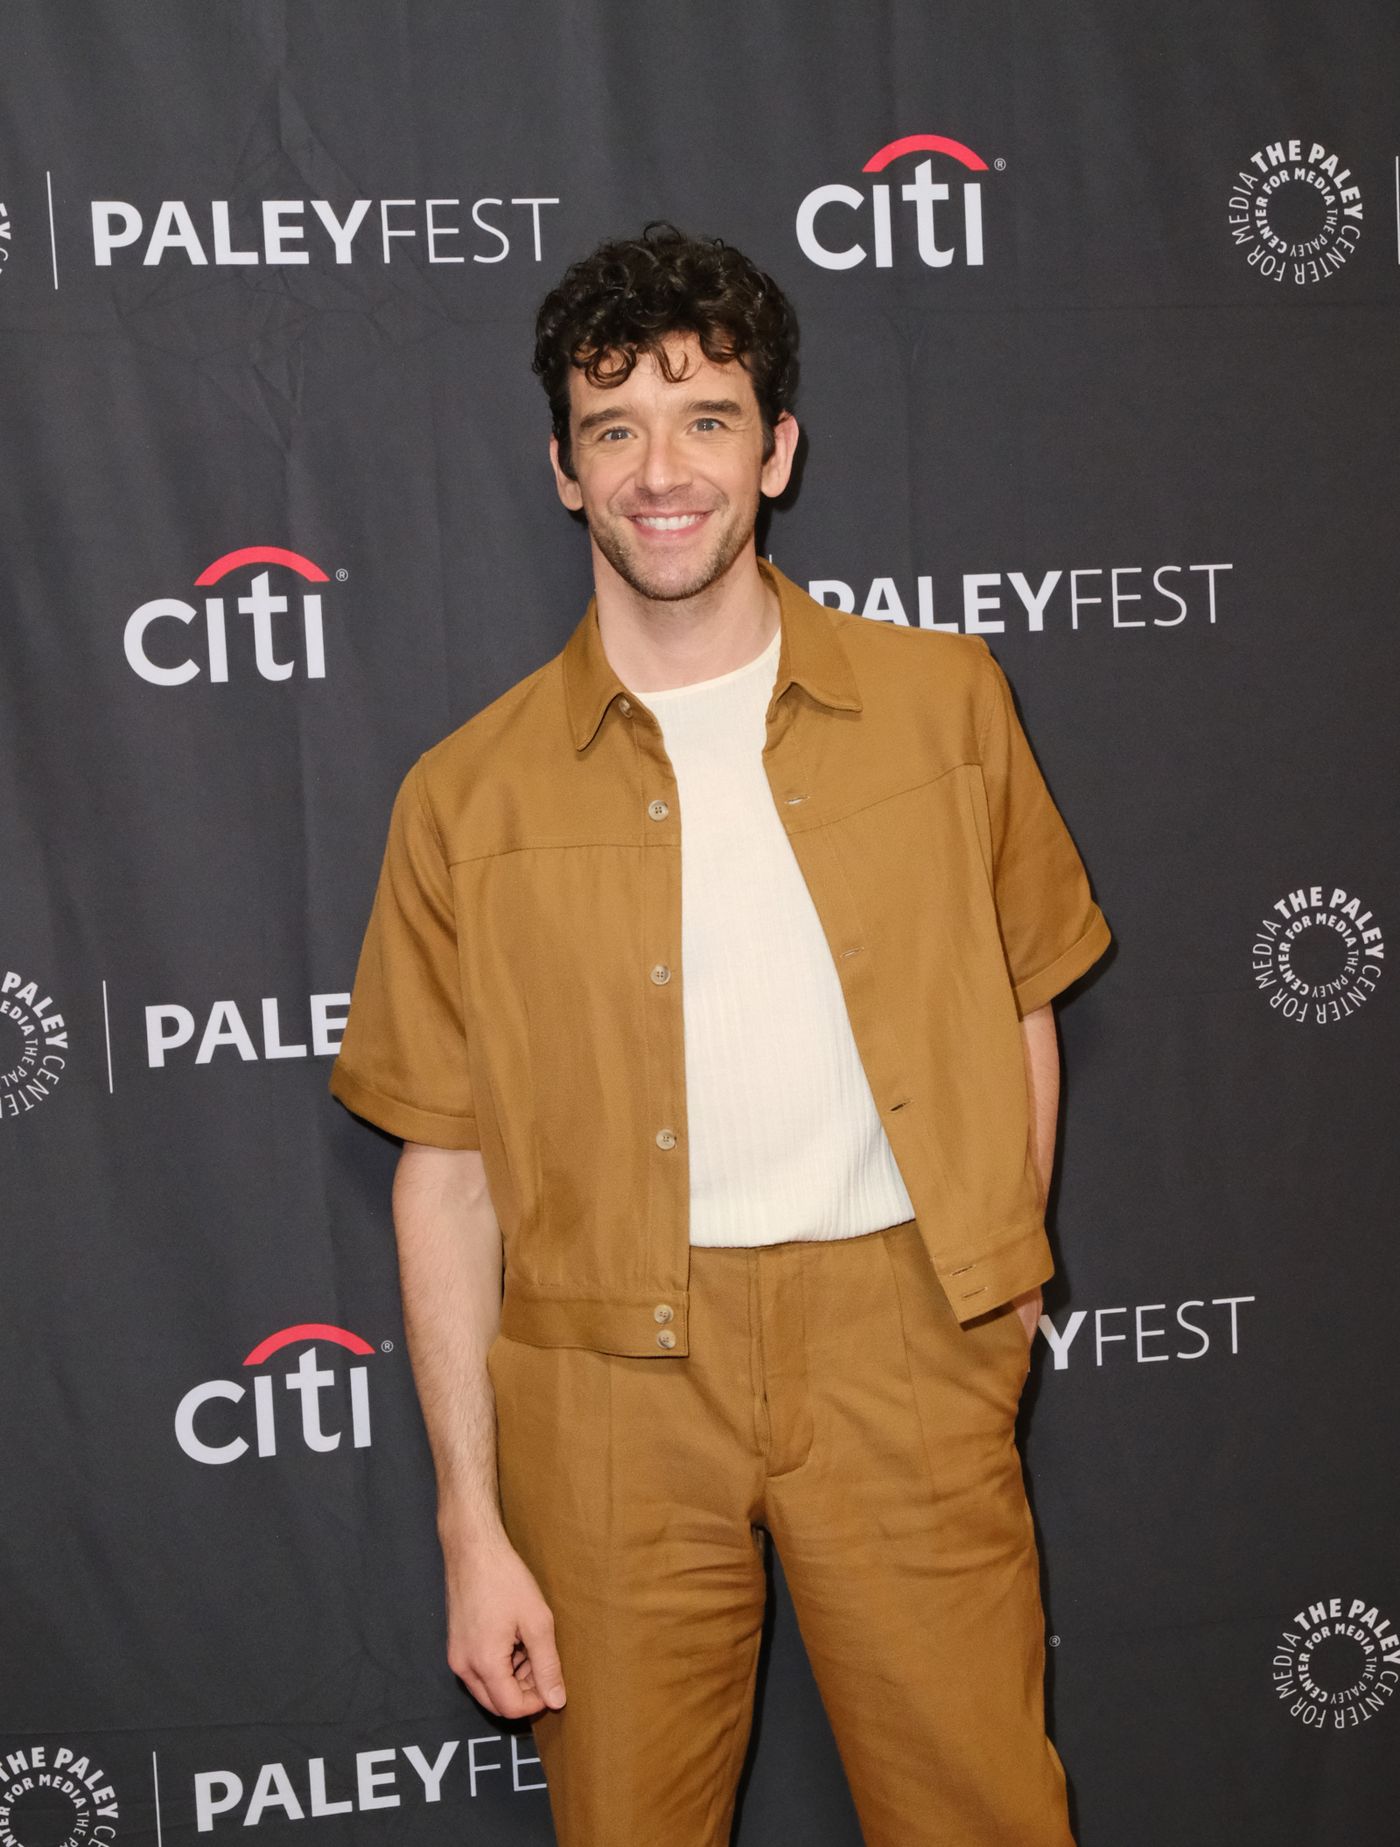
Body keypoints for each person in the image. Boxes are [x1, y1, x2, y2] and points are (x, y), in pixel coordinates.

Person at [329, 222, 1110, 1846]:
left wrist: (1000, 1287)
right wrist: (472, 1524)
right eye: (614, 427)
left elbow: (1023, 1000)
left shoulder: (945, 702)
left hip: (903, 1342)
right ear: (562, 469)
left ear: (778, 449)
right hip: (604, 1394)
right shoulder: (463, 797)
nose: (660, 469)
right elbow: (444, 1176)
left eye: (705, 418)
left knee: (985, 1818)